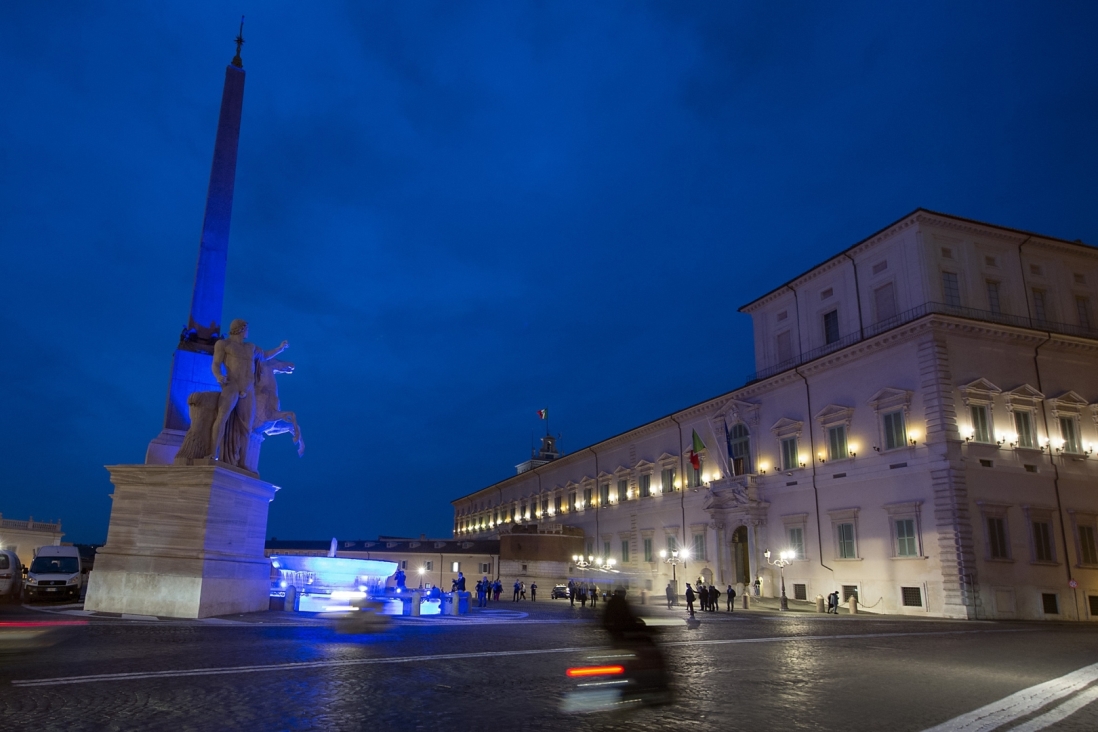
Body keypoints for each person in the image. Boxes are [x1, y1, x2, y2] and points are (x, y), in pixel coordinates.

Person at [209, 319, 288, 464]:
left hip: (248, 389)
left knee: (247, 426)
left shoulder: (250, 347)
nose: (248, 332)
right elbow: (215, 364)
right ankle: (212, 453)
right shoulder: (224, 344)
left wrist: (280, 348)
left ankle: (242, 461)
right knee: (222, 418)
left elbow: (264, 355)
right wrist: (219, 376)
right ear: (241, 329)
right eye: (247, 329)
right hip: (232, 385)